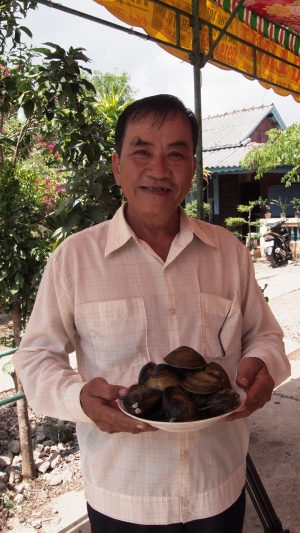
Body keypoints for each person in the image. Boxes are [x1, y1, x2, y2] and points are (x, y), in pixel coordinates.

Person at [12, 94, 290, 533]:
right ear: (117, 166)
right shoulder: (74, 260)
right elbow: (34, 358)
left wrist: (264, 367)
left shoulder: (229, 254)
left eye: (175, 153)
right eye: (141, 151)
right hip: (124, 495)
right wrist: (77, 398)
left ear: (193, 168)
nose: (159, 169)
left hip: (217, 484)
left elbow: (265, 337)